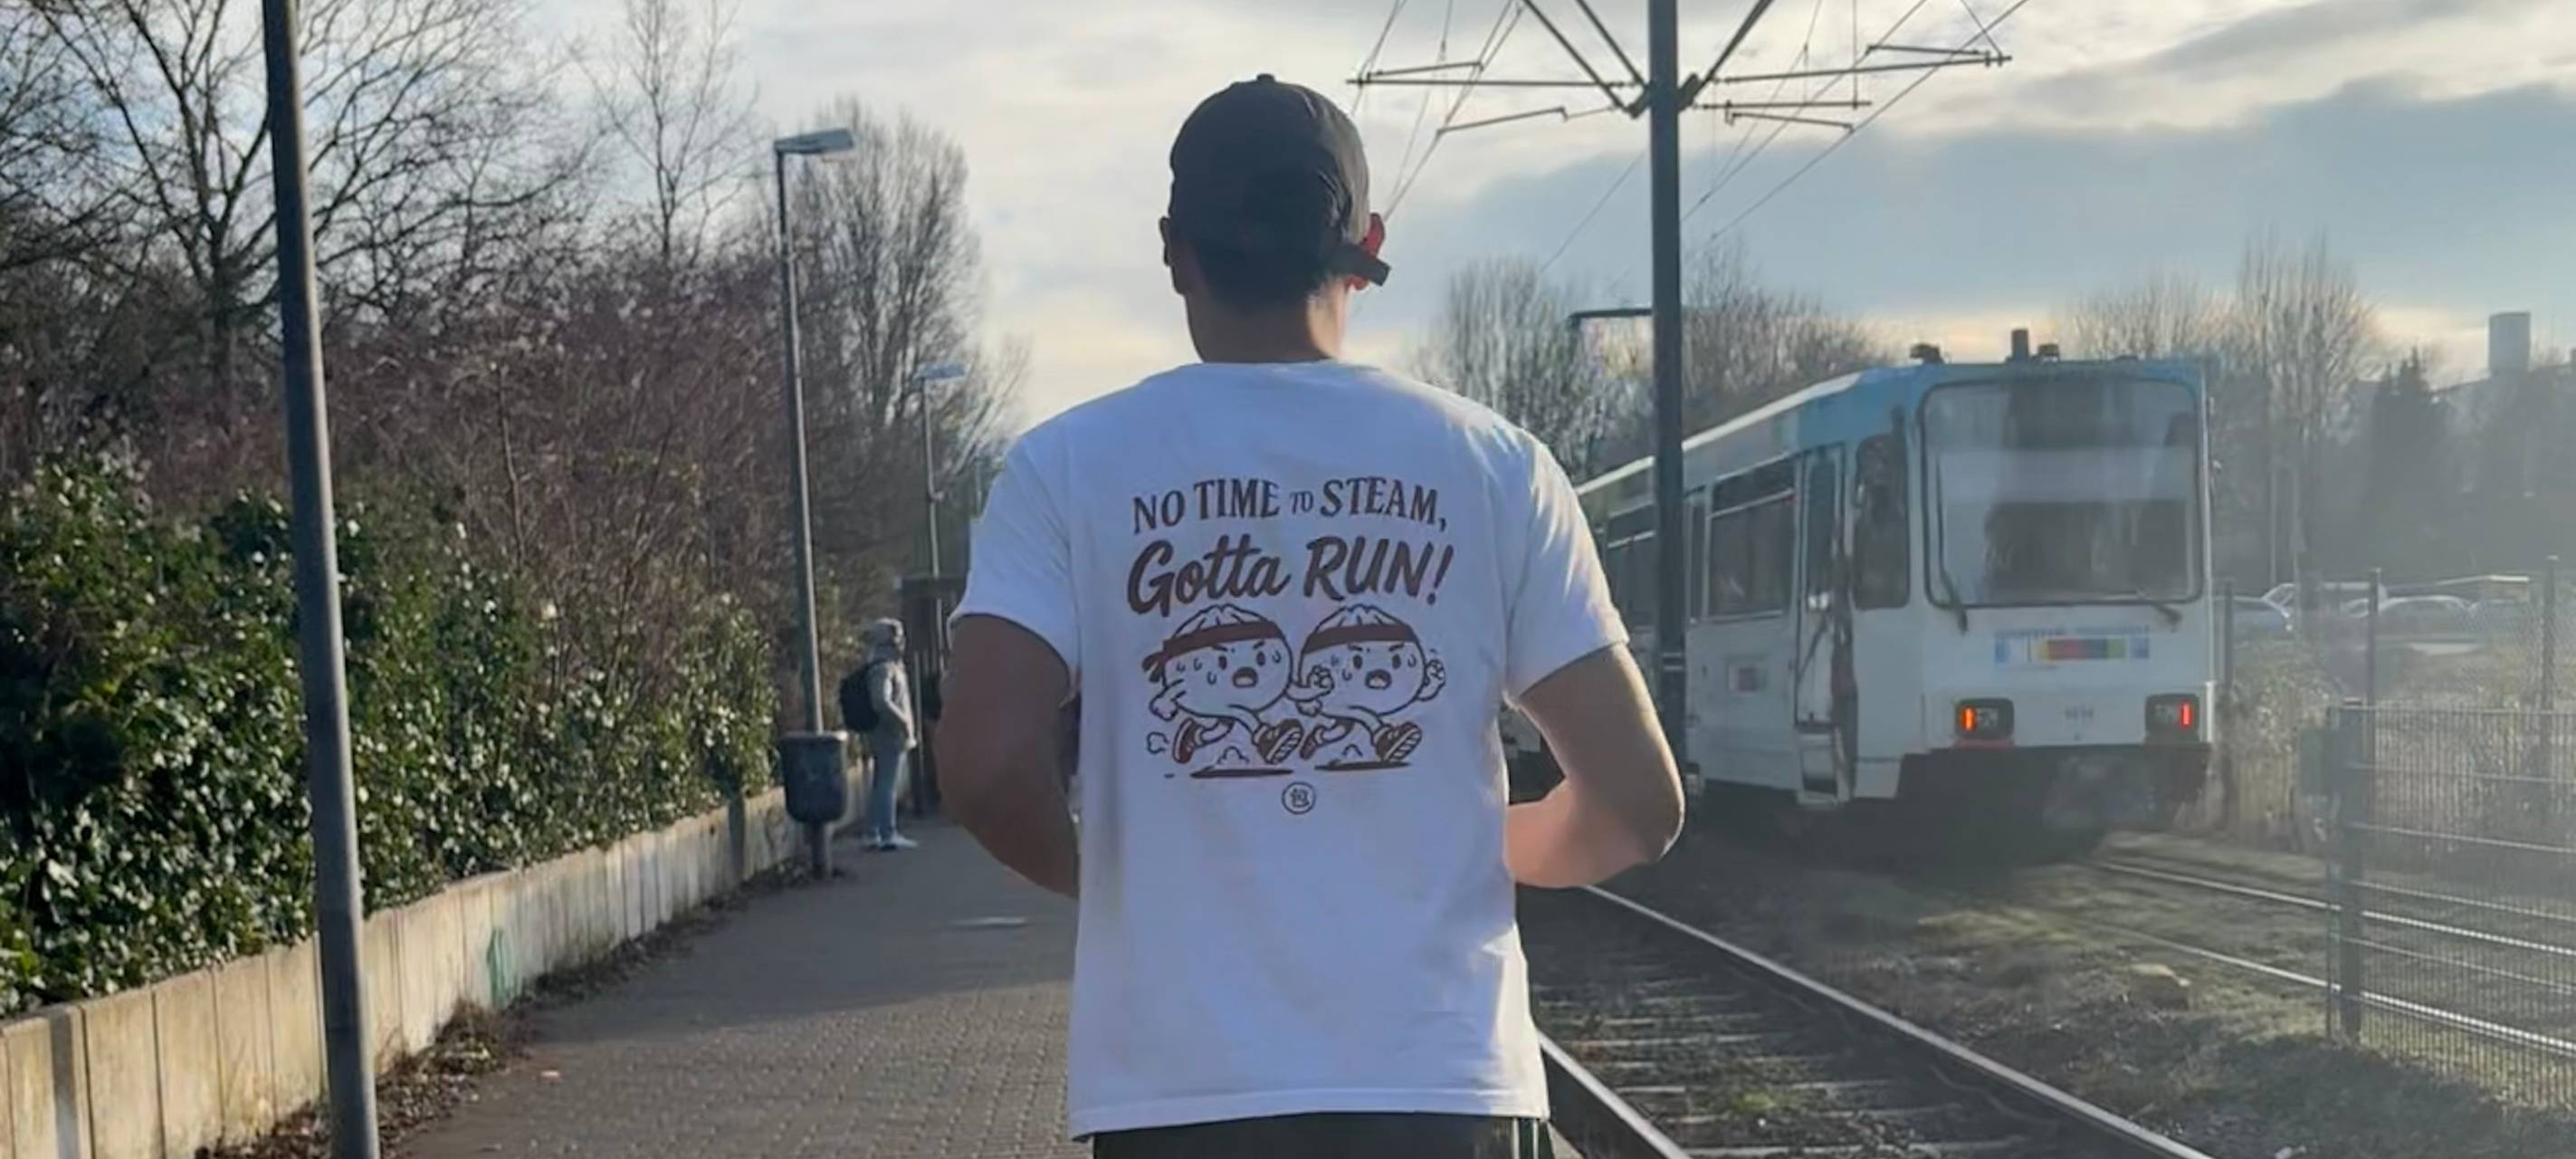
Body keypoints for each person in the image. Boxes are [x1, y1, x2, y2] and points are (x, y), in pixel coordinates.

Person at [937, 73, 1684, 1158]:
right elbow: (1639, 804)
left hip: (1180, 1101)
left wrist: (1109, 874)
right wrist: (1503, 841)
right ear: (1365, 244)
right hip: (1443, 1086)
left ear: (1173, 250)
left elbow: (985, 759)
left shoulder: (1063, 470)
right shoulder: (1493, 467)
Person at [838, 618, 919, 851]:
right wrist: (902, 721)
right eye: (897, 637)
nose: (901, 642)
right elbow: (881, 701)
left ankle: (874, 831)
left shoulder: (885, 665)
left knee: (881, 783)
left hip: (886, 734)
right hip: (888, 735)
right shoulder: (884, 668)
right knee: (887, 784)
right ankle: (887, 832)